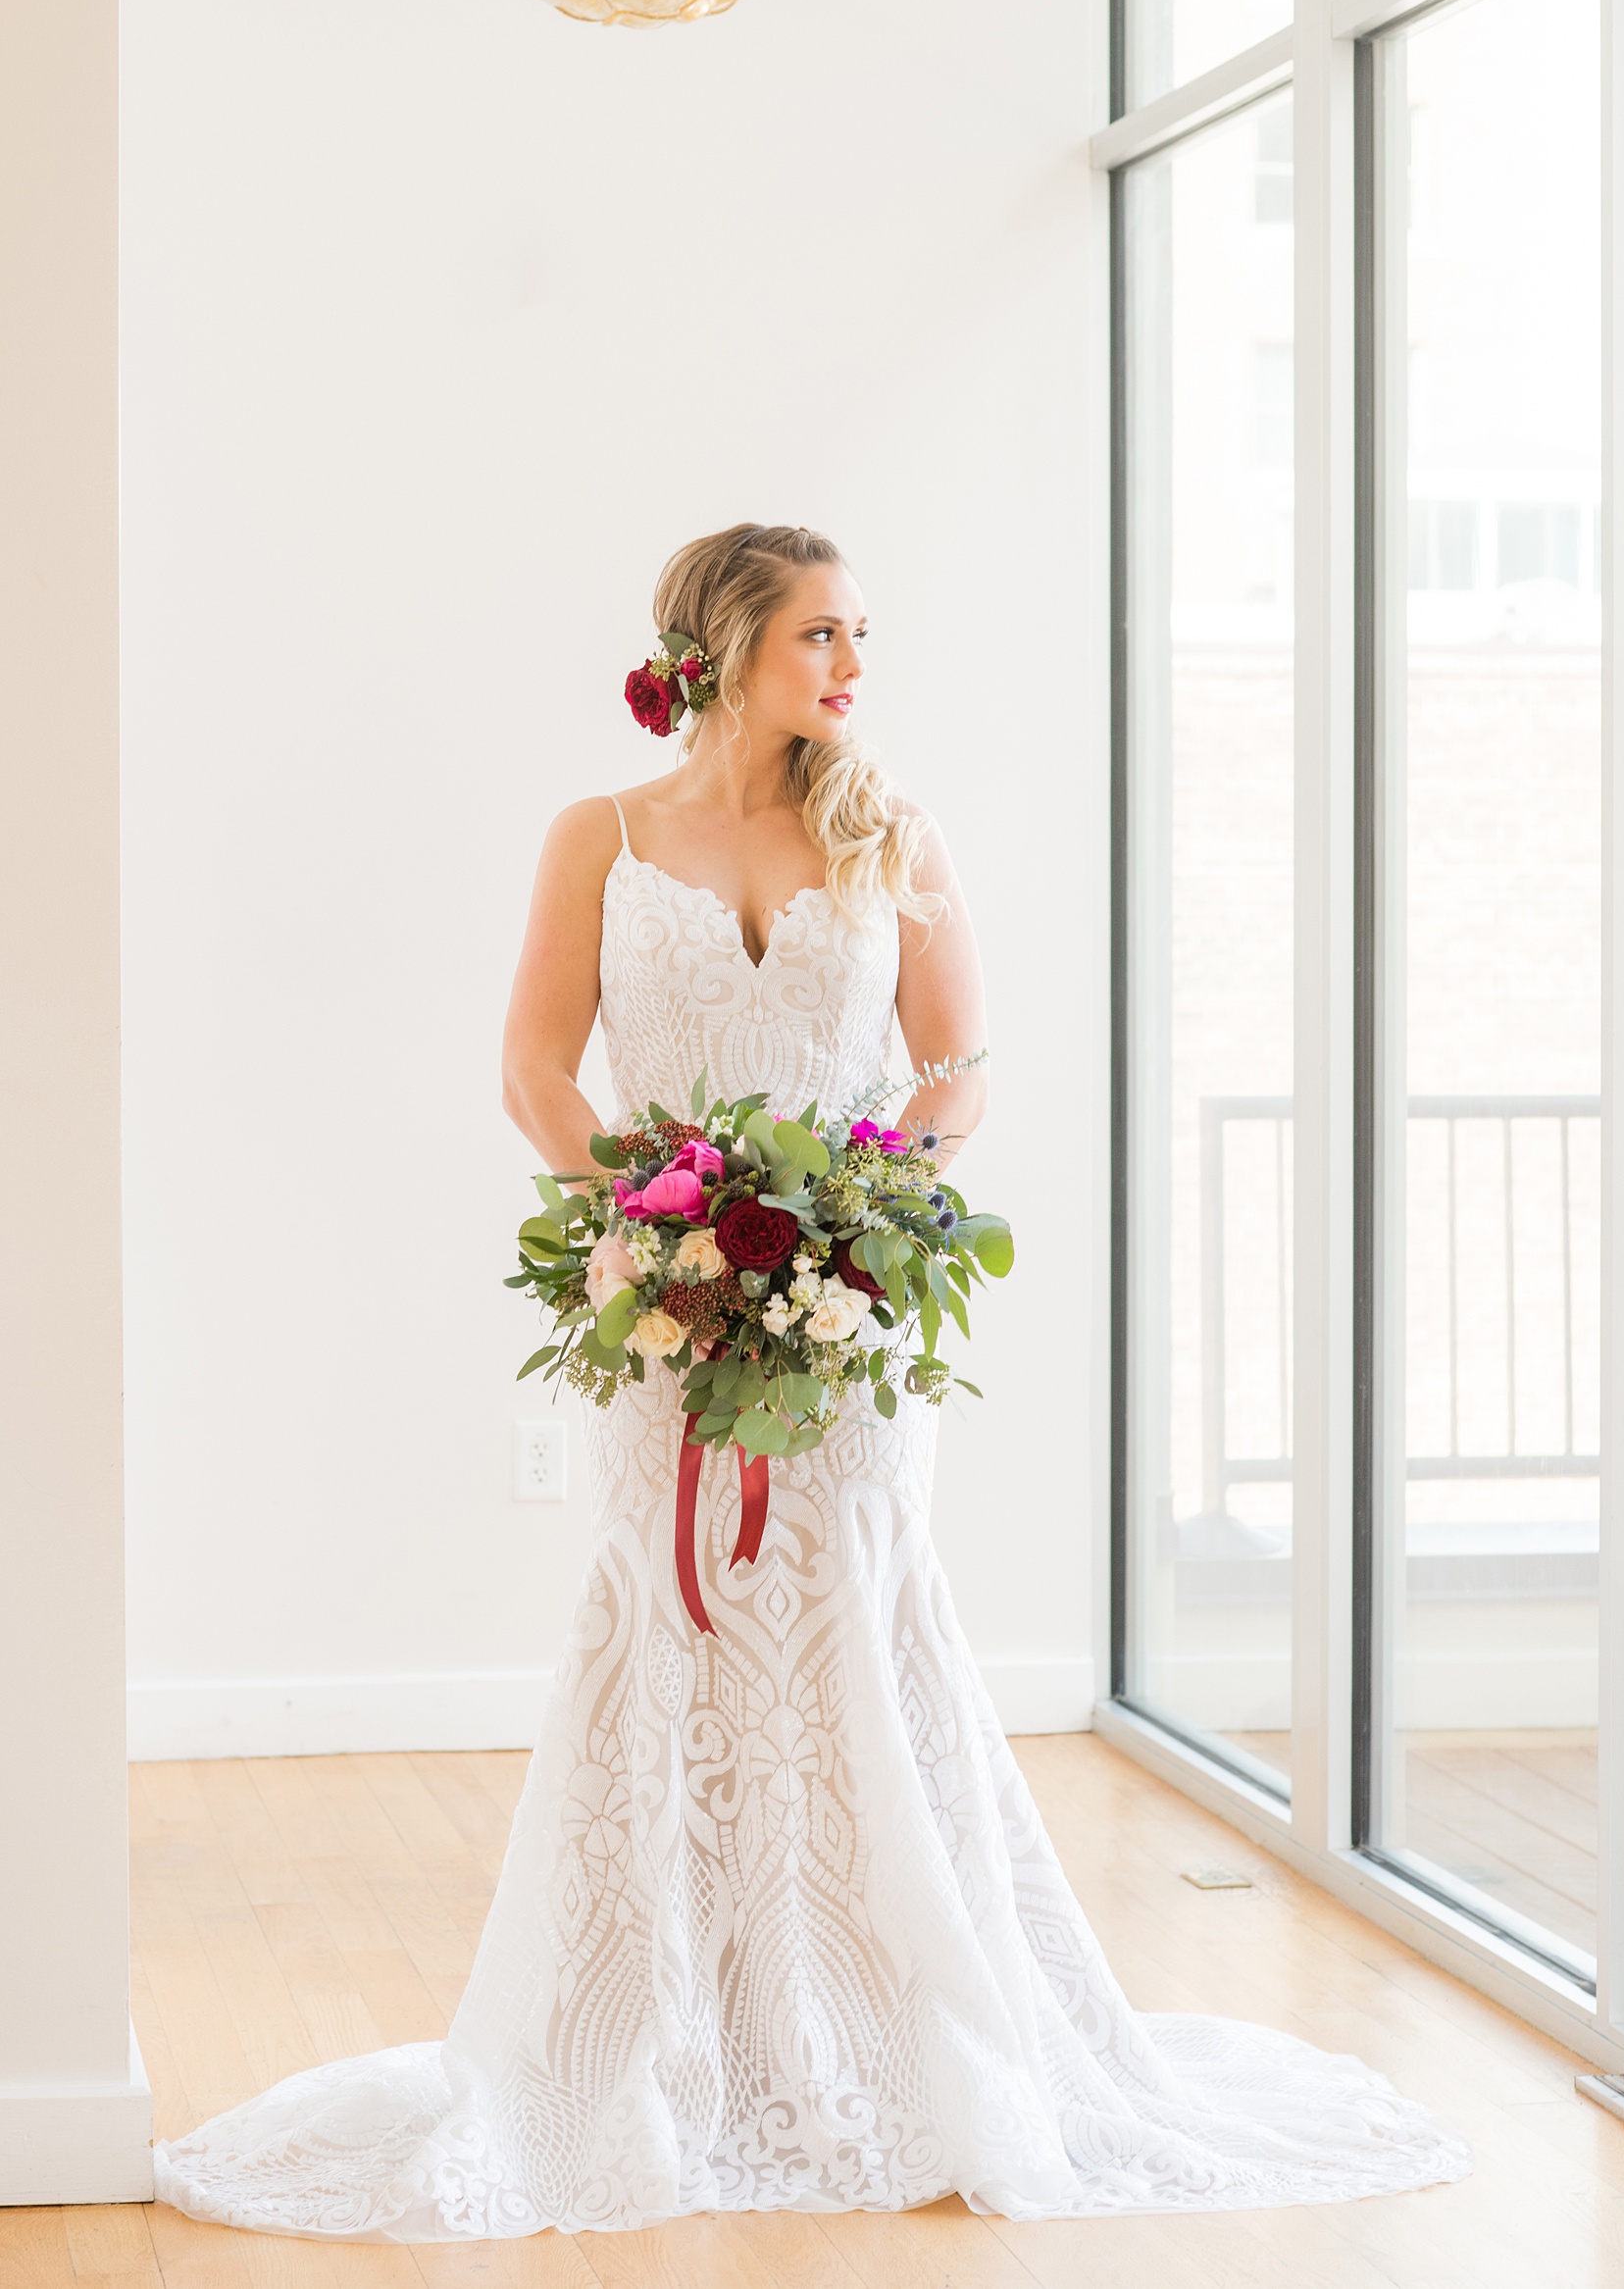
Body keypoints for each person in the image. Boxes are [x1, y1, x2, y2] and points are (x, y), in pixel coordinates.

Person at [153, 524, 1468, 2239]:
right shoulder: (600, 838)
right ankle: (648, 2038)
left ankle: (895, 2023)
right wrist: (657, 1226)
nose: (854, 664)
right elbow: (535, 1073)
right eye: (820, 635)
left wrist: (856, 1208)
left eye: (862, 633)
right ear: (723, 649)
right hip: (666, 1318)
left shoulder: (890, 830)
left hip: (850, 1324)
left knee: (858, 1607)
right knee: (671, 1613)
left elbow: (961, 1069)